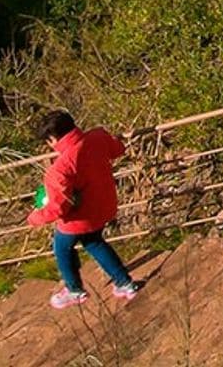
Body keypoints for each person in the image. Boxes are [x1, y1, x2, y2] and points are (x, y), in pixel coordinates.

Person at [26, 110, 141, 309]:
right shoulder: (97, 137)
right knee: (93, 241)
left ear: (52, 139)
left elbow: (58, 208)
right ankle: (125, 284)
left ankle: (74, 290)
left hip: (80, 218)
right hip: (105, 204)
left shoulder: (60, 168)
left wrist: (35, 218)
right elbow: (117, 149)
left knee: (61, 247)